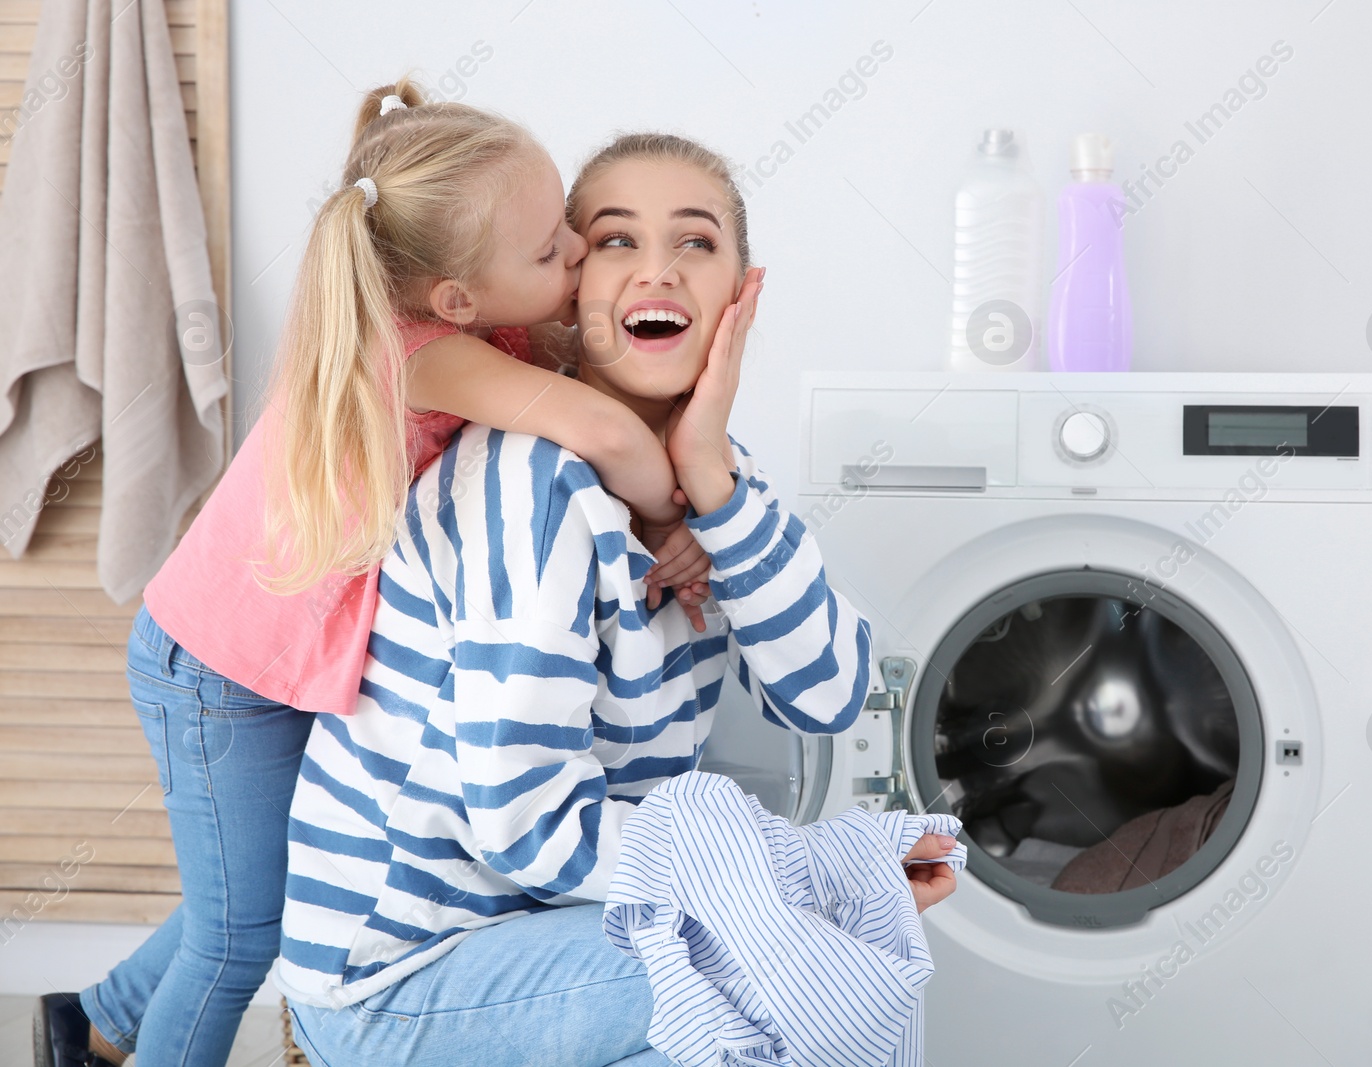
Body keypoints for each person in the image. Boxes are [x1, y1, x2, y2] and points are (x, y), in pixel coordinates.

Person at [36, 81, 713, 1067]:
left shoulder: (488, 314)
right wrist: (679, 514)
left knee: (253, 881)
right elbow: (605, 423)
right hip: (217, 672)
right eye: (552, 249)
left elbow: (612, 379)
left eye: (572, 225)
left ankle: (92, 1017)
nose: (575, 254)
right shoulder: (420, 353)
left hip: (274, 653)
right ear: (455, 298)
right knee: (240, 932)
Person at [276, 132, 958, 1067]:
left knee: (792, 972)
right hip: (403, 977)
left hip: (547, 936)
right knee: (786, 969)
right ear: (570, 290)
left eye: (696, 243)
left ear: (740, 293)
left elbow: (831, 692)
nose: (658, 273)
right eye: (615, 241)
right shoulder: (529, 482)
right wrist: (803, 882)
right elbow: (529, 827)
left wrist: (713, 481)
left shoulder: (716, 480)